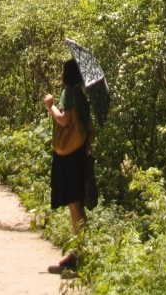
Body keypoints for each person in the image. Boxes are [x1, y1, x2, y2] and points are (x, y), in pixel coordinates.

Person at [45, 57, 92, 273]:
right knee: (77, 201)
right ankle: (79, 249)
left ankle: (81, 251)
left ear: (68, 74)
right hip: (81, 151)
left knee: (74, 202)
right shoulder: (83, 96)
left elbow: (63, 120)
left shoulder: (68, 93)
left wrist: (50, 105)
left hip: (69, 154)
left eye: (63, 70)